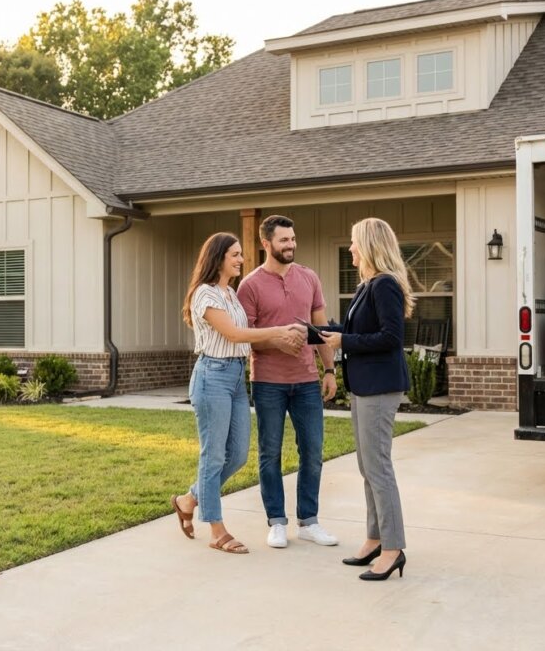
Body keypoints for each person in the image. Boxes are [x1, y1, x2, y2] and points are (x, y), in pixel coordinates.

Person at [171, 232, 305, 554]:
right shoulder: (205, 294)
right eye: (235, 254)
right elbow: (232, 333)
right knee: (213, 455)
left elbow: (243, 338)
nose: (241, 260)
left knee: (239, 455)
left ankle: (188, 499)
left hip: (234, 378)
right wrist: (277, 331)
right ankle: (216, 530)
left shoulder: (229, 293)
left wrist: (281, 340)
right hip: (212, 376)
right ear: (217, 257)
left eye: (241, 254)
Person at [318, 218, 414, 581]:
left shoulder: (385, 285)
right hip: (364, 386)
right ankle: (375, 538)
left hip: (380, 387)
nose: (351, 249)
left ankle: (393, 548)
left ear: (370, 245)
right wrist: (322, 334)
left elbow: (390, 337)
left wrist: (345, 342)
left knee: (379, 468)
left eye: (355, 243)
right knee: (367, 467)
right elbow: (358, 332)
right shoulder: (367, 286)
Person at [237, 215, 339, 550]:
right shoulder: (249, 285)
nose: (291, 245)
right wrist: (276, 341)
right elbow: (246, 338)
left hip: (307, 381)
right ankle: (276, 521)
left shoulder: (309, 278)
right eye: (284, 240)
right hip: (268, 383)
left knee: (313, 452)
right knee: (270, 454)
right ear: (266, 244)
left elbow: (322, 331)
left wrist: (329, 370)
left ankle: (308, 521)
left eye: (293, 239)